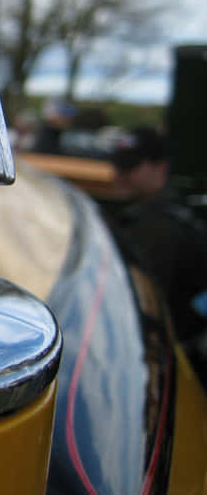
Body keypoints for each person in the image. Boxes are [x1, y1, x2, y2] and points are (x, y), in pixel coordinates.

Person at [111, 126, 207, 382]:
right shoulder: (164, 215)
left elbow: (138, 309)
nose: (120, 175)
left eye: (130, 167)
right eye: (119, 165)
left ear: (160, 168)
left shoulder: (158, 228)